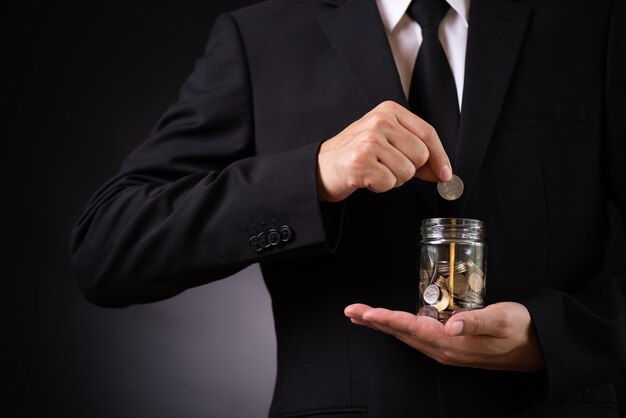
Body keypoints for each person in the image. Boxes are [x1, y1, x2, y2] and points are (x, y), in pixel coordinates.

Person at [70, 0, 626, 416]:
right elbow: (106, 249)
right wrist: (310, 174)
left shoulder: (592, 19)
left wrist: (552, 338)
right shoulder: (260, 35)